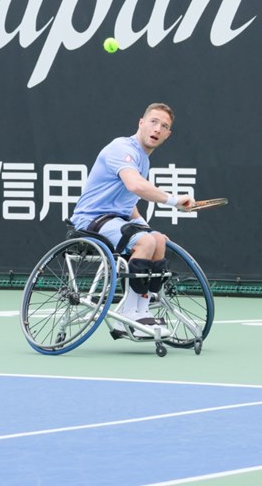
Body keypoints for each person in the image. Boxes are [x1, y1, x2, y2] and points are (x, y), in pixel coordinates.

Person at [71, 103, 194, 338]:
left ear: (168, 135)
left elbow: (129, 204)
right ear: (141, 123)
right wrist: (175, 201)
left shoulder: (142, 160)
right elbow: (135, 186)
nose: (157, 129)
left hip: (117, 221)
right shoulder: (122, 148)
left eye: (164, 126)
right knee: (145, 242)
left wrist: (148, 229)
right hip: (91, 220)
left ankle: (142, 311)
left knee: (157, 240)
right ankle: (130, 315)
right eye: (153, 122)